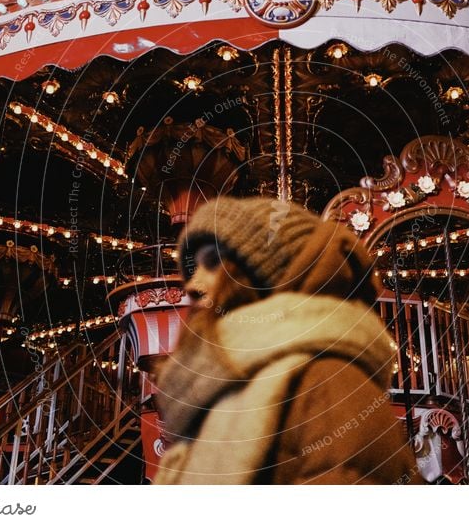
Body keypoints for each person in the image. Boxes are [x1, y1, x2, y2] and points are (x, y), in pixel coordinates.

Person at [153, 196, 422, 484]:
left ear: (260, 273)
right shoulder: (224, 390)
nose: (192, 285)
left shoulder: (326, 380)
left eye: (214, 262)